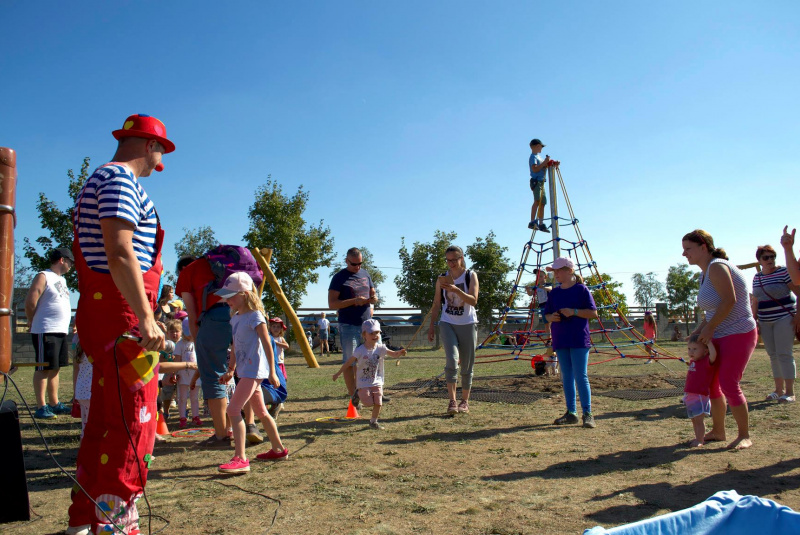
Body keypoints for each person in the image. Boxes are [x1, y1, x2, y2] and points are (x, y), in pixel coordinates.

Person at [67, 113, 173, 535]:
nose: (158, 166)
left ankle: (83, 518)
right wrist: (146, 318)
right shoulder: (120, 181)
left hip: (105, 312)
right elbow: (120, 252)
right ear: (151, 146)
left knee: (104, 421)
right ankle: (115, 523)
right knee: (135, 418)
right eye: (160, 155)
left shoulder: (95, 181)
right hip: (124, 316)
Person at [682, 229, 758, 450]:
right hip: (718, 335)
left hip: (738, 333)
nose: (684, 254)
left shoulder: (717, 266)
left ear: (703, 247)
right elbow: (711, 311)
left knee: (728, 383)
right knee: (712, 386)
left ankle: (744, 435)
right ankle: (719, 431)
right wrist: (698, 332)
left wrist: (710, 328)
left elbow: (729, 300)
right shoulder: (704, 273)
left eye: (688, 248)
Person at [215, 272, 288, 473]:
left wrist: (273, 372)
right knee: (262, 412)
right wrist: (231, 370)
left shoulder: (256, 316)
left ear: (245, 294)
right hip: (244, 371)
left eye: (231, 296)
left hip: (254, 372)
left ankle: (240, 458)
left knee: (232, 410)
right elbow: (235, 346)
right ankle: (279, 449)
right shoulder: (236, 319)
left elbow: (267, 344)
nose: (227, 300)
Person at [176, 255, 232, 447]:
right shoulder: (223, 265)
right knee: (245, 373)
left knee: (213, 375)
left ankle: (221, 435)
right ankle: (247, 426)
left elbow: (191, 314)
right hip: (243, 313)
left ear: (181, 268)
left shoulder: (187, 273)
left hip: (214, 317)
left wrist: (199, 340)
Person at [544, 257, 599, 428]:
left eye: (559, 270)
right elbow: (546, 315)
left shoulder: (582, 290)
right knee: (566, 376)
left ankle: (588, 414)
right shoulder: (554, 293)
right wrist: (551, 317)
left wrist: (573, 311)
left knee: (581, 376)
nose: (556, 274)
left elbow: (593, 313)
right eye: (554, 271)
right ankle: (571, 413)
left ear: (570, 270)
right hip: (561, 339)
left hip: (578, 339)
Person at [427, 245, 480, 414]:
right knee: (452, 360)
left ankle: (465, 401)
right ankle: (452, 401)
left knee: (467, 364)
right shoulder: (442, 278)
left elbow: (473, 301)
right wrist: (431, 325)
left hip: (468, 324)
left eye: (454, 260)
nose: (451, 263)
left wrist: (456, 290)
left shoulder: (470, 275)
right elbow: (436, 303)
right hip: (447, 322)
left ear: (461, 258)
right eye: (448, 260)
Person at [25, 247, 74, 419]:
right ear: (62, 260)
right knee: (44, 367)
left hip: (60, 330)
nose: (71, 266)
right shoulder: (43, 275)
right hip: (45, 329)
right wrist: (31, 321)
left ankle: (54, 403)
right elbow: (31, 299)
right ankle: (41, 406)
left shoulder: (62, 280)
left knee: (56, 368)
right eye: (70, 262)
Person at [333, 319, 406, 429]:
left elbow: (394, 354)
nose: (375, 335)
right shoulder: (360, 350)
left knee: (379, 402)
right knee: (367, 403)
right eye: (371, 333)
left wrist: (400, 353)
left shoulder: (381, 348)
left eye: (377, 332)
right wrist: (338, 373)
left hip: (377, 380)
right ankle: (357, 394)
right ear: (364, 335)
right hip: (363, 381)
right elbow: (349, 362)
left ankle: (373, 421)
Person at [328, 247, 378, 405]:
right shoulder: (339, 277)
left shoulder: (365, 274)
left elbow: (372, 292)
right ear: (346, 261)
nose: (358, 267)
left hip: (366, 325)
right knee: (350, 361)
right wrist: (353, 301)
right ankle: (354, 397)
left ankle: (368, 392)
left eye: (360, 263)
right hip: (348, 324)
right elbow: (331, 304)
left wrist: (374, 298)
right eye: (354, 264)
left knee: (369, 359)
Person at [751, 244, 799, 403]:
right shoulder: (757, 277)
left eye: (772, 256)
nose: (770, 260)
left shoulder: (784, 272)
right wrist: (754, 319)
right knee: (773, 355)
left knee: (784, 353)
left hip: (783, 317)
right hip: (765, 320)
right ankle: (778, 390)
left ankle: (790, 392)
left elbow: (798, 292)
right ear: (759, 260)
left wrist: (798, 315)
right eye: (766, 257)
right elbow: (756, 300)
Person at [683, 334, 718, 447]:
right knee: (694, 420)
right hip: (690, 396)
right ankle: (697, 437)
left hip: (700, 397)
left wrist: (708, 342)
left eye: (695, 349)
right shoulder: (693, 361)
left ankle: (700, 440)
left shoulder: (706, 361)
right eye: (689, 349)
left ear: (705, 351)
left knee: (699, 420)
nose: (691, 352)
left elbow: (714, 355)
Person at [175, 317, 202, 428]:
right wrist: (175, 373)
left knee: (194, 397)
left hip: (195, 376)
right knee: (182, 397)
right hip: (183, 375)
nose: (190, 336)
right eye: (188, 333)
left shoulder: (198, 342)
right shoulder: (180, 344)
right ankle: (182, 417)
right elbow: (177, 359)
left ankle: (195, 416)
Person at [527, 138, 551, 232]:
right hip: (536, 181)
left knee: (543, 202)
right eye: (541, 147)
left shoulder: (539, 157)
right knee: (537, 201)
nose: (541, 149)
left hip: (542, 181)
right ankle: (532, 221)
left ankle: (541, 223)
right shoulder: (533, 157)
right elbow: (535, 169)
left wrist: (548, 163)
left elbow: (543, 166)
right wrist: (544, 163)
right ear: (537, 146)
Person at [72, 340, 92, 438]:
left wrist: (75, 391)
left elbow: (76, 369)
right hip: (92, 392)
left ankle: (83, 450)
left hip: (82, 392)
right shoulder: (96, 346)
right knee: (94, 427)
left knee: (85, 427)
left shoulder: (81, 344)